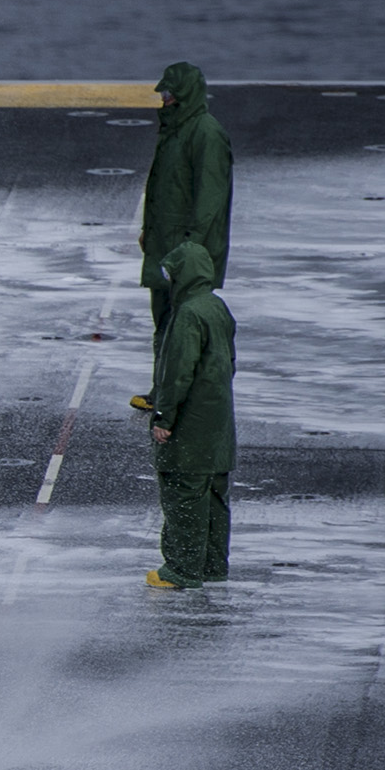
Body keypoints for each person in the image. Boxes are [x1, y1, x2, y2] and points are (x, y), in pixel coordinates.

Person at [130, 61, 232, 415]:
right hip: (167, 246)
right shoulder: (177, 130)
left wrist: (191, 251)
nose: (164, 98)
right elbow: (165, 190)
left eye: (170, 92)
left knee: (181, 326)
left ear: (184, 94)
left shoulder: (205, 133)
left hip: (184, 252)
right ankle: (163, 391)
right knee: (166, 321)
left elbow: (209, 200)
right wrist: (150, 231)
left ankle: (173, 395)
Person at [144, 240, 235, 589]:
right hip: (219, 424)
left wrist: (164, 417)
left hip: (191, 425)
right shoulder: (217, 308)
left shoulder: (187, 315)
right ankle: (213, 566)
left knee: (184, 493)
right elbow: (231, 361)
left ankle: (182, 569)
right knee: (214, 497)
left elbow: (176, 373)